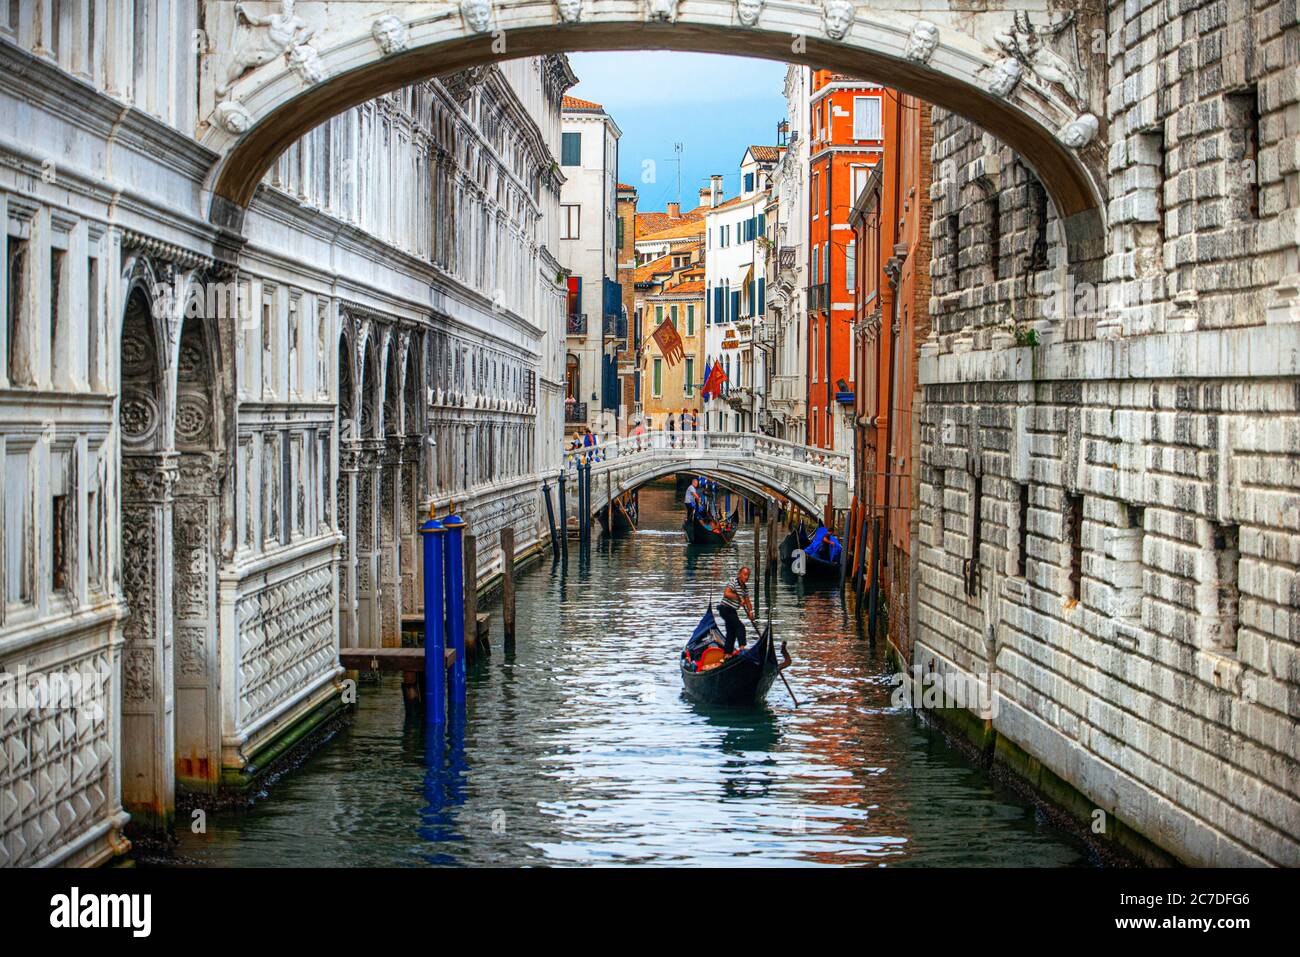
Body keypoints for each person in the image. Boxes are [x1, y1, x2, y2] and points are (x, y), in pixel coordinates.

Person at [718, 567, 754, 654]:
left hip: (732, 611)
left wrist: (750, 613)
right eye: (745, 574)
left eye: (748, 575)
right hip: (725, 608)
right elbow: (726, 593)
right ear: (739, 574)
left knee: (731, 632)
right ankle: (742, 649)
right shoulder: (733, 582)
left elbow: (748, 601)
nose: (746, 577)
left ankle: (727, 654)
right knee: (740, 626)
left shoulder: (745, 588)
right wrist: (738, 598)